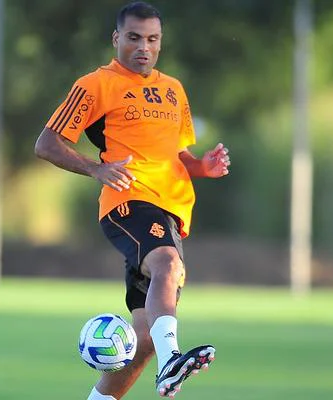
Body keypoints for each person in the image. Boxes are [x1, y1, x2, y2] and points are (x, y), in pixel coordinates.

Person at [34, 2, 230, 399]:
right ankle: (172, 361)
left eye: (152, 39)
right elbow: (47, 144)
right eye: (135, 37)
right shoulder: (96, 84)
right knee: (167, 263)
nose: (144, 47)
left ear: (160, 42)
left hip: (172, 209)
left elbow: (175, 155)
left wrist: (201, 167)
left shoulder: (173, 89)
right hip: (128, 201)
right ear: (116, 38)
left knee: (144, 338)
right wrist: (96, 169)